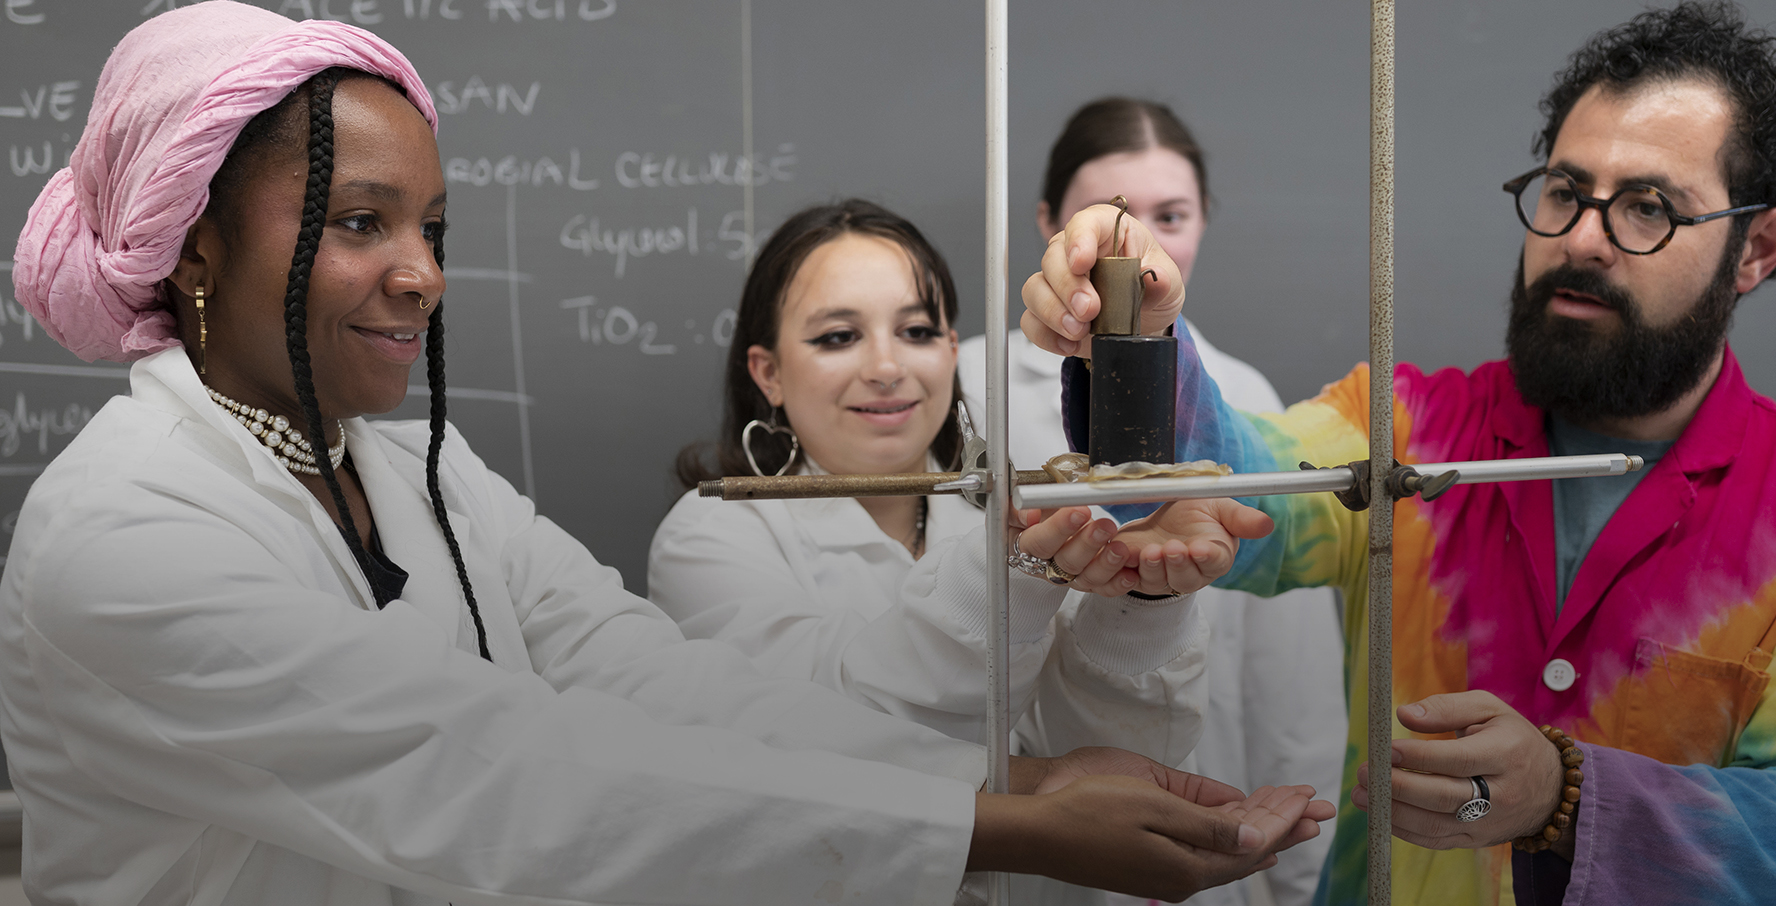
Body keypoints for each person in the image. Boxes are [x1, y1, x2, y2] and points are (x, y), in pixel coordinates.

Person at [0, 5, 1337, 903]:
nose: (421, 275)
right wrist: (1006, 820)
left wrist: (1016, 779)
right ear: (194, 247)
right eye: (361, 221)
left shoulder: (418, 472)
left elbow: (650, 682)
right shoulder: (127, 533)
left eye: (436, 228)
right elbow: (504, 773)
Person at [1019, 3, 1776, 905]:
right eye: (1565, 189)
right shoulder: (1405, 429)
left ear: (1758, 247)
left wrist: (1570, 797)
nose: (1583, 237)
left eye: (1648, 208)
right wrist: (1138, 331)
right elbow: (1239, 483)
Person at [651, 199, 1312, 905]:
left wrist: (1144, 595)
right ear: (768, 372)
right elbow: (832, 746)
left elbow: (1103, 759)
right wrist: (1015, 573)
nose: (886, 367)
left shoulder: (1002, 513)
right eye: (838, 337)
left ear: (952, 348)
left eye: (916, 331)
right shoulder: (709, 538)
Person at [957, 98, 1348, 906]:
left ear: (1204, 221)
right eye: (1106, 217)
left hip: (1216, 821)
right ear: (1046, 223)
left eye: (1172, 216)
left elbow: (1292, 678)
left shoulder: (1243, 399)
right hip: (1025, 841)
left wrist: (1304, 880)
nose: (1141, 248)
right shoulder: (965, 386)